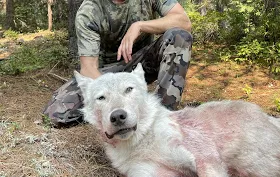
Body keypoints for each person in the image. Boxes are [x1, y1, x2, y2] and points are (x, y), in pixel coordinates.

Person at [43, 0, 193, 127]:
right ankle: (110, 112)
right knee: (56, 113)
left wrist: (139, 26)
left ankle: (164, 117)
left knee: (179, 36)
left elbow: (183, 21)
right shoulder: (90, 10)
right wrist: (116, 97)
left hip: (141, 65)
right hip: (106, 74)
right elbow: (88, 68)